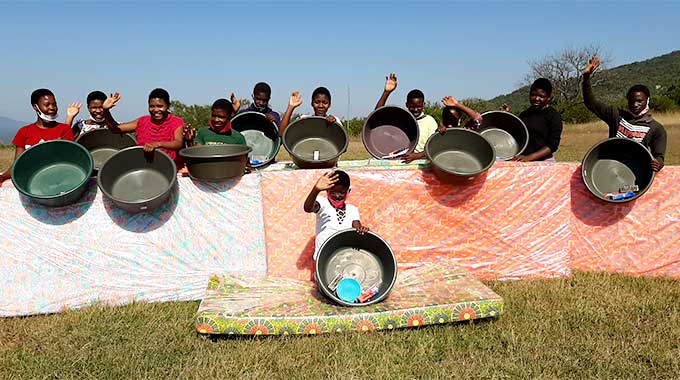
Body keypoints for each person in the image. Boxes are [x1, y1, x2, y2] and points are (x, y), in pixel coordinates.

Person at [582, 56, 666, 172]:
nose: (635, 105)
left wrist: (658, 163)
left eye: (639, 101)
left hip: (636, 173)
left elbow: (659, 157)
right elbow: (591, 103)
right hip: (611, 169)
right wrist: (586, 77)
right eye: (632, 101)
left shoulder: (656, 128)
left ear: (647, 100)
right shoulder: (616, 115)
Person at [0, 89, 78, 185]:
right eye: (47, 105)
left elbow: (71, 161)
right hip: (33, 181)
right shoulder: (24, 132)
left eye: (54, 104)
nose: (52, 108)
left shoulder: (64, 129)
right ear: (35, 107)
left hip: (58, 180)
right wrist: (3, 177)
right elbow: (17, 165)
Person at [101, 88, 188, 168]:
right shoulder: (142, 121)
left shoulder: (176, 121)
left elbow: (178, 143)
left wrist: (157, 144)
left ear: (168, 106)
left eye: (160, 106)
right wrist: (106, 110)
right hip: (145, 168)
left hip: (170, 168)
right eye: (152, 106)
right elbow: (115, 129)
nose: (155, 110)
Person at [303, 170, 369, 260]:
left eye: (341, 192)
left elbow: (356, 226)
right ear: (327, 190)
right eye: (333, 192)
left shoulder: (352, 209)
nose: (337, 196)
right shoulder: (323, 203)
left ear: (348, 191)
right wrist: (316, 189)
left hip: (344, 258)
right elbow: (308, 208)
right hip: (323, 258)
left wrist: (361, 230)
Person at [374, 73, 438, 163]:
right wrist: (386, 92)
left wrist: (417, 156)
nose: (415, 110)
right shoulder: (402, 118)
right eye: (412, 107)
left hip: (421, 163)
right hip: (400, 161)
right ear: (406, 105)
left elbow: (434, 146)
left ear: (424, 105)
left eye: (419, 106)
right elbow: (377, 114)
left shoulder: (429, 121)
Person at [513, 78, 563, 162]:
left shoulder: (554, 116)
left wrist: (529, 157)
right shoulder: (525, 114)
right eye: (533, 95)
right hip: (523, 159)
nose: (536, 99)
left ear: (549, 97)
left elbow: (552, 145)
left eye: (541, 96)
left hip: (544, 161)